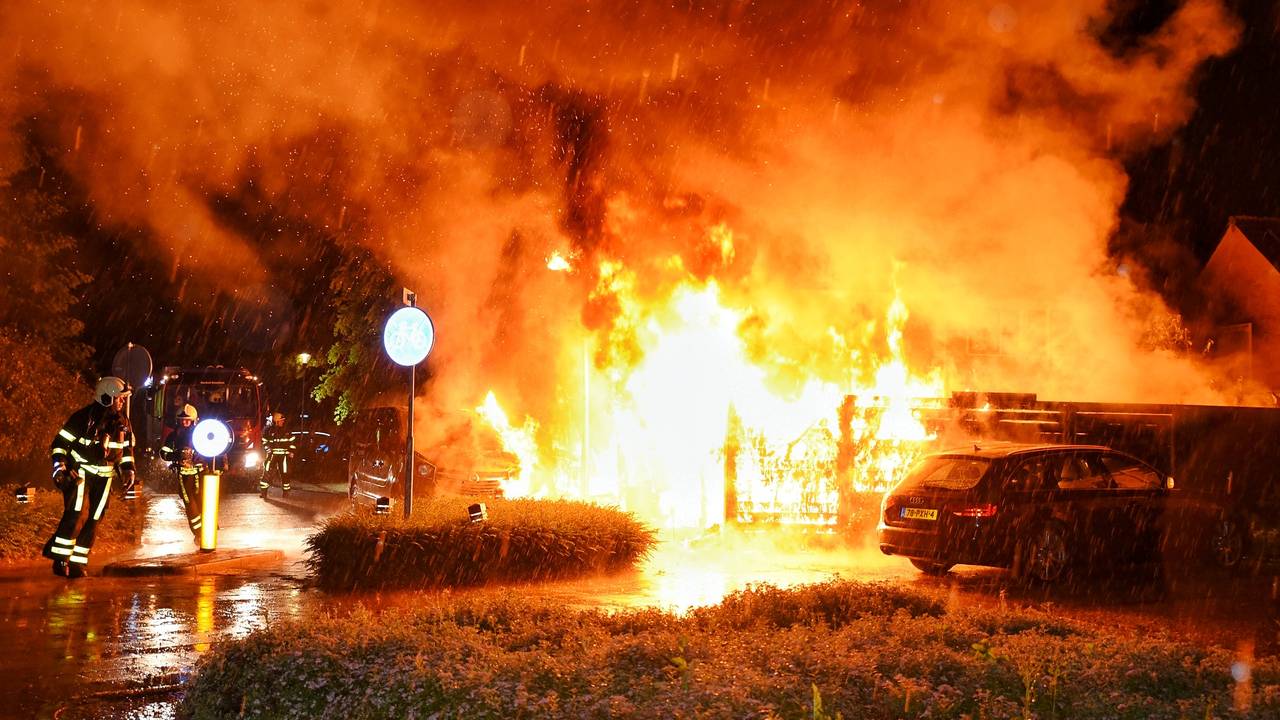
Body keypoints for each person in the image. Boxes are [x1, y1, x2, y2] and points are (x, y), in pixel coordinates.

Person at [43, 377, 137, 578]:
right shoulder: (82, 418)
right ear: (106, 398)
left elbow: (126, 450)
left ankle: (77, 563)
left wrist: (128, 470)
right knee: (76, 515)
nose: (121, 402)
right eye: (119, 399)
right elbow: (59, 444)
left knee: (94, 519)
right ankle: (60, 560)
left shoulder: (123, 422)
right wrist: (61, 467)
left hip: (105, 477)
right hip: (81, 474)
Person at [160, 404, 205, 543]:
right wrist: (176, 455)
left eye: (187, 421)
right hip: (184, 475)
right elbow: (163, 453)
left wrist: (200, 456)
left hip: (200, 473)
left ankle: (208, 527)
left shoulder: (201, 434)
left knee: (203, 501)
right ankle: (198, 532)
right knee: (189, 502)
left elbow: (212, 451)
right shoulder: (173, 436)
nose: (184, 423)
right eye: (182, 421)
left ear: (194, 421)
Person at [260, 411, 296, 498]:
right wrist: (268, 449)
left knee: (285, 473)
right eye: (281, 420)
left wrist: (291, 451)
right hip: (272, 455)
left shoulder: (287, 430)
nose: (283, 422)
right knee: (267, 472)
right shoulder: (269, 430)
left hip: (284, 456)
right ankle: (264, 492)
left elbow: (292, 441)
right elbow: (264, 441)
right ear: (276, 421)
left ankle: (286, 492)